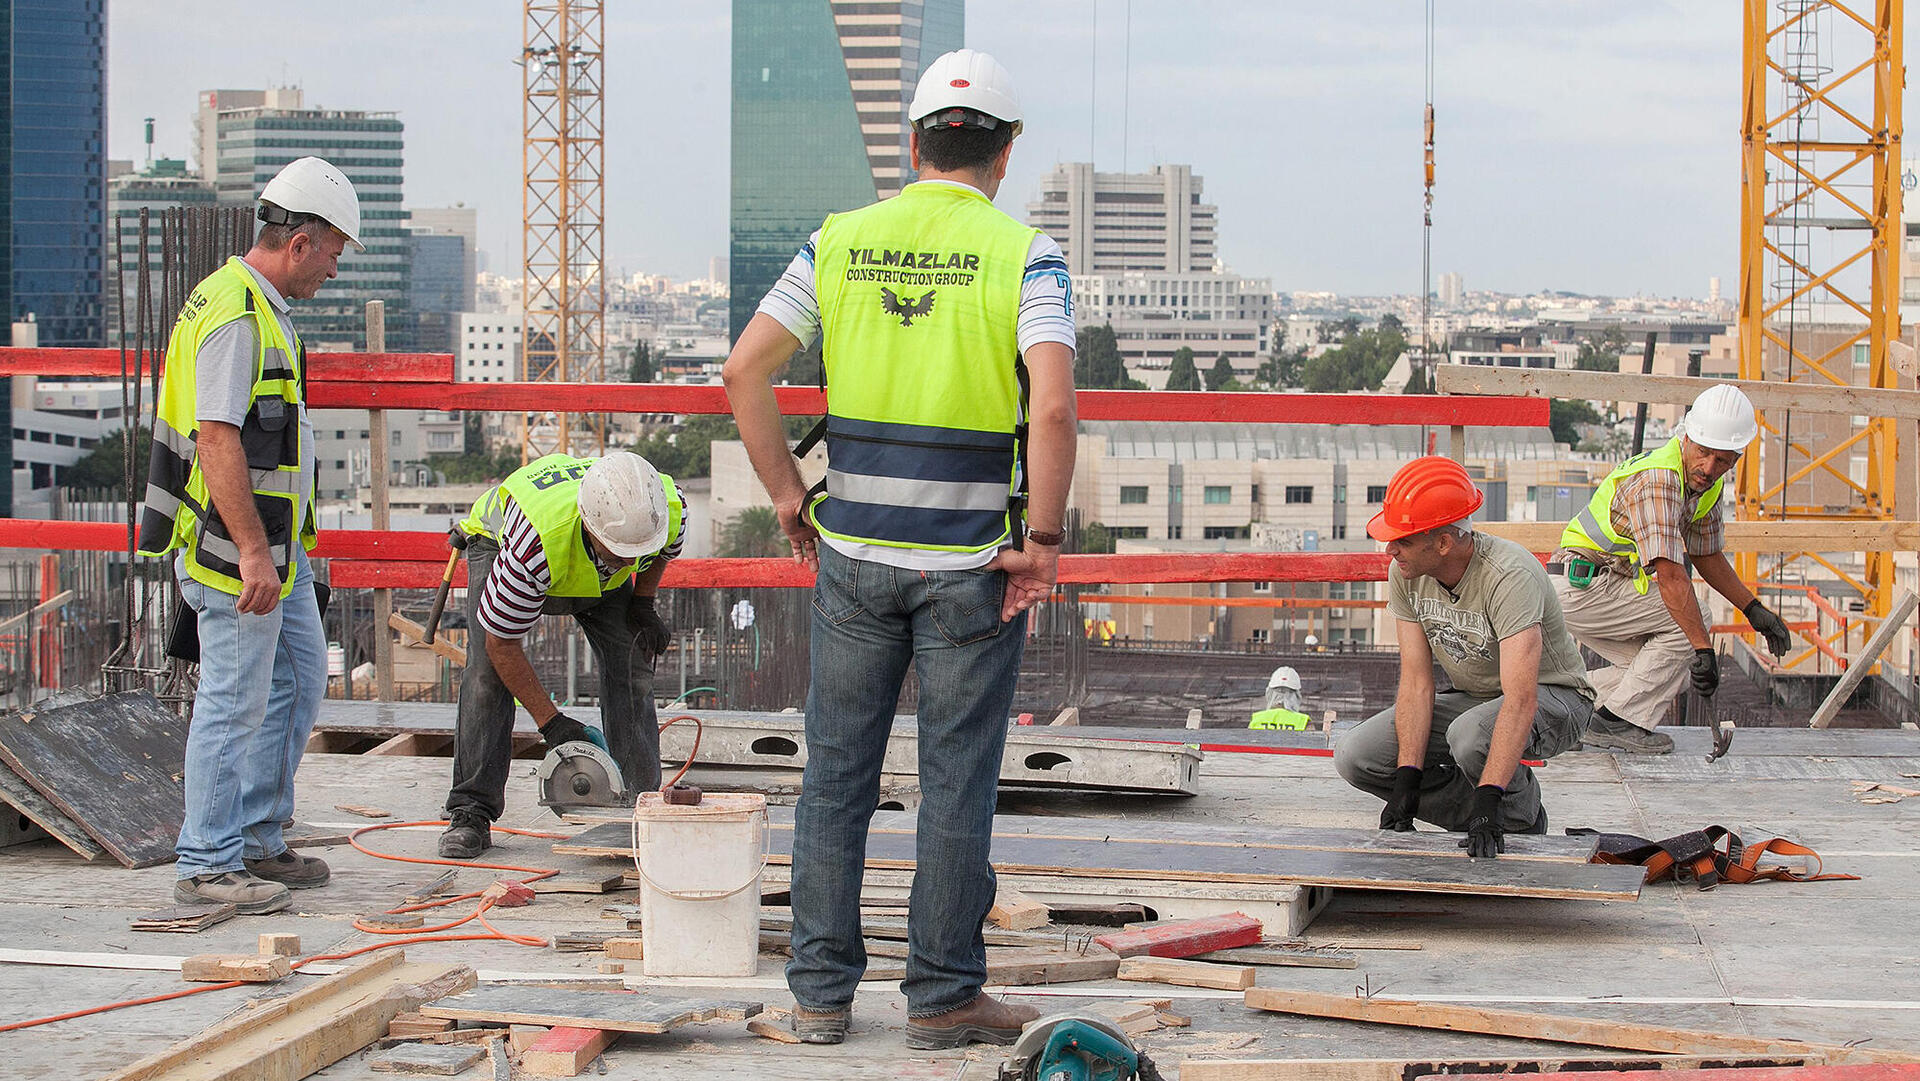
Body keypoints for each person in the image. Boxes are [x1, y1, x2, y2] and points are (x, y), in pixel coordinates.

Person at [722, 48, 1076, 1049]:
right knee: (954, 781)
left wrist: (790, 497)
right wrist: (1042, 541)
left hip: (854, 555)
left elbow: (745, 371)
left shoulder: (837, 240)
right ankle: (944, 998)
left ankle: (818, 1002)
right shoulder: (1026, 256)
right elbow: (1050, 406)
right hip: (971, 566)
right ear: (1003, 154)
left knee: (836, 775)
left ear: (915, 145)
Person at [136, 157, 360, 914]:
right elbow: (218, 439)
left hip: (278, 552)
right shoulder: (236, 314)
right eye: (333, 254)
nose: (334, 270)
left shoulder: (251, 304)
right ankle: (206, 861)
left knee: (298, 679)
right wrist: (257, 553)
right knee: (233, 701)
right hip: (237, 554)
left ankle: (257, 834)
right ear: (300, 240)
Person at [1333, 457, 1595, 858]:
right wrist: (1406, 784)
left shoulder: (1508, 575)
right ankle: (1484, 815)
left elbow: (1521, 698)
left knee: (1470, 737)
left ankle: (1517, 815)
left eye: (1403, 539)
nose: (1391, 550)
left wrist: (1488, 796)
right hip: (1479, 698)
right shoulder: (1406, 574)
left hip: (1555, 697)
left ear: (1443, 542)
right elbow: (1418, 684)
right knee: (1357, 756)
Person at [437, 451, 683, 859]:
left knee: (631, 659)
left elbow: (662, 553)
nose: (629, 560)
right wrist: (552, 724)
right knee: (486, 675)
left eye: (636, 551)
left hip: (585, 565)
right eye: (619, 550)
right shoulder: (533, 546)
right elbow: (502, 643)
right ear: (590, 525)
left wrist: (644, 602)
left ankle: (641, 804)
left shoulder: (666, 509)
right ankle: (470, 811)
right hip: (500, 542)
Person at [1555, 385, 1792, 755]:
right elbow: (1670, 574)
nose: (1710, 468)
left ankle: (1556, 709)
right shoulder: (1659, 481)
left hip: (1602, 588)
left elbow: (1706, 555)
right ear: (1686, 436)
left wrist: (1753, 609)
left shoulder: (1704, 485)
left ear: (1736, 457)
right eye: (1704, 453)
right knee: (1695, 627)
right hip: (1580, 586)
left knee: (1667, 674)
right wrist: (1704, 649)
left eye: (1723, 459)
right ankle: (1618, 724)